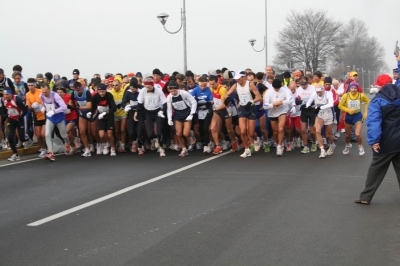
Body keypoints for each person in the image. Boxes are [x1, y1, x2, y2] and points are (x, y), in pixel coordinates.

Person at [355, 74, 400, 205]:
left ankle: (365, 196)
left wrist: (374, 141)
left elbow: (374, 122)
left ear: (380, 86)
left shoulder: (377, 100)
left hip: (386, 141)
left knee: (376, 169)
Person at [226, 71, 262, 158]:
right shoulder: (235, 85)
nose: (237, 80)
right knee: (242, 131)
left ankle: (256, 139)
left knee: (251, 132)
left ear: (243, 77)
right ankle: (247, 150)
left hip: (250, 108)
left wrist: (251, 102)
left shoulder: (250, 84)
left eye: (239, 79)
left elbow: (259, 97)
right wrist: (226, 98)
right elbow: (227, 93)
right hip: (242, 108)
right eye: (236, 79)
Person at [135, 77, 167, 157]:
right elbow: (139, 102)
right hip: (148, 113)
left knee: (159, 132)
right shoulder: (143, 91)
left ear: (152, 86)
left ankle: (161, 148)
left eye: (149, 87)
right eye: (146, 87)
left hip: (157, 112)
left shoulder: (159, 91)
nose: (148, 89)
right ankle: (155, 140)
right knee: (150, 134)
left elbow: (165, 103)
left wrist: (162, 111)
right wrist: (136, 112)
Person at [166, 81, 197, 157]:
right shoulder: (169, 97)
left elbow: (194, 102)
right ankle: (184, 149)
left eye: (174, 90)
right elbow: (169, 109)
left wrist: (191, 114)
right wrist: (169, 119)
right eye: (171, 91)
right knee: (178, 133)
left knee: (185, 133)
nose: (173, 92)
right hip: (178, 115)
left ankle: (190, 134)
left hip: (187, 114)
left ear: (178, 89)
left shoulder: (184, 93)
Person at [40, 83, 69, 161]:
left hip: (59, 117)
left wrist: (54, 111)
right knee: (47, 134)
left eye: (45, 92)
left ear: (49, 90)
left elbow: (64, 107)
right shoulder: (41, 96)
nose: (44, 94)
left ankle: (67, 142)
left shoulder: (55, 96)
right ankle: (50, 152)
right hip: (50, 117)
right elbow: (44, 104)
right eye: (43, 92)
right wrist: (43, 108)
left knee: (63, 135)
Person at [338, 82, 370, 155]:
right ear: (349, 89)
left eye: (355, 88)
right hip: (348, 116)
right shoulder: (345, 96)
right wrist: (348, 110)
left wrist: (366, 112)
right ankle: (347, 145)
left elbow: (368, 101)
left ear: (357, 89)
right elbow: (340, 106)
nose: (353, 90)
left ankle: (360, 147)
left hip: (357, 116)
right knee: (347, 135)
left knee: (357, 134)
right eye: (352, 88)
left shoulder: (361, 95)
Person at [263, 79, 293, 156]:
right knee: (275, 132)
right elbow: (265, 106)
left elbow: (290, 100)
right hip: (272, 112)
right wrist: (273, 104)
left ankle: (279, 147)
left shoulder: (285, 90)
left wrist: (281, 103)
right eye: (275, 88)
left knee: (281, 128)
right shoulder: (268, 92)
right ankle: (279, 143)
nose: (277, 89)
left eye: (278, 88)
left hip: (282, 111)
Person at [305, 84, 335, 158]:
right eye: (317, 92)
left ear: (323, 90)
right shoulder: (314, 94)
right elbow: (308, 102)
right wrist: (308, 106)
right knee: (317, 131)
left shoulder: (328, 94)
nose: (318, 93)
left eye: (320, 92)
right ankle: (322, 150)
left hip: (328, 115)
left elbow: (331, 104)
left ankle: (332, 144)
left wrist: (321, 107)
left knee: (328, 134)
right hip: (319, 116)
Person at [1, 88, 27, 161]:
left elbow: (24, 110)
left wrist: (20, 117)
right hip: (11, 119)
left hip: (20, 119)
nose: (5, 96)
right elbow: (4, 109)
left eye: (7, 94)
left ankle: (27, 138)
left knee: (22, 138)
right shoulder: (3, 100)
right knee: (10, 137)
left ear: (11, 94)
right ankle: (15, 154)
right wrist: (5, 115)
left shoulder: (17, 99)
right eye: (4, 94)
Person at [91, 83, 117, 156]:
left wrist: (106, 113)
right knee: (101, 135)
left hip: (109, 116)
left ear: (105, 91)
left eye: (103, 91)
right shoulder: (95, 97)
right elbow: (93, 107)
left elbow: (114, 108)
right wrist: (90, 113)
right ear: (97, 91)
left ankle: (112, 148)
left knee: (109, 134)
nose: (102, 93)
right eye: (100, 92)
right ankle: (105, 145)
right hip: (101, 117)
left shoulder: (109, 96)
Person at [69, 81, 93, 157]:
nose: (77, 92)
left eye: (79, 90)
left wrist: (78, 107)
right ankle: (87, 149)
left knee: (91, 131)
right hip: (83, 113)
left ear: (82, 88)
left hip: (91, 112)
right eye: (76, 90)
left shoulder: (87, 92)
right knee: (82, 132)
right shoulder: (74, 93)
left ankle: (96, 144)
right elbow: (70, 101)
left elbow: (89, 106)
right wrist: (69, 105)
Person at [190, 77, 213, 153]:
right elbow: (190, 98)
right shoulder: (195, 90)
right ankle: (202, 142)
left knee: (206, 128)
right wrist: (194, 100)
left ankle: (206, 145)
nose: (203, 87)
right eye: (201, 86)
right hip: (198, 111)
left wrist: (207, 102)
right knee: (200, 129)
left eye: (204, 86)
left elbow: (212, 100)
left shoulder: (209, 89)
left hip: (207, 111)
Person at [26, 78, 47, 158]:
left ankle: (48, 147)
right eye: (29, 86)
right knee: (38, 135)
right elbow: (28, 107)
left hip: (44, 114)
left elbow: (47, 100)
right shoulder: (28, 94)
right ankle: (43, 149)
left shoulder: (40, 91)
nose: (30, 87)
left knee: (43, 134)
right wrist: (32, 107)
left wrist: (43, 106)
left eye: (32, 85)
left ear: (35, 86)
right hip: (36, 115)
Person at [297, 76, 317, 153]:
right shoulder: (298, 89)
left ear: (307, 82)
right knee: (302, 129)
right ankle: (305, 146)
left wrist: (311, 103)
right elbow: (297, 99)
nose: (303, 86)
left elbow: (316, 98)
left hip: (311, 110)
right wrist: (297, 102)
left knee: (312, 131)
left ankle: (314, 143)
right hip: (304, 111)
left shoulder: (312, 88)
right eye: (301, 84)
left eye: (304, 84)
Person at [122, 79, 141, 153]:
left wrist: (131, 107)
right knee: (131, 131)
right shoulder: (128, 92)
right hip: (131, 113)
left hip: (140, 112)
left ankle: (140, 144)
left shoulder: (140, 91)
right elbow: (123, 102)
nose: (132, 90)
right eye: (131, 89)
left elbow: (141, 103)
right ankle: (134, 141)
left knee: (140, 130)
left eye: (134, 89)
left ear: (137, 88)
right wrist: (126, 106)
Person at [109, 79, 127, 152]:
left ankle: (123, 145)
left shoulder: (124, 92)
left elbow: (127, 102)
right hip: (115, 113)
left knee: (122, 129)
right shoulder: (110, 93)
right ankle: (119, 143)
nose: (115, 87)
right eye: (113, 85)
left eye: (116, 85)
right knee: (117, 130)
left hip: (123, 113)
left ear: (120, 85)